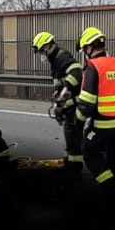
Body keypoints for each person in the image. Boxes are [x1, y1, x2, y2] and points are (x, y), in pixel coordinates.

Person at [74, 27, 115, 202]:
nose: (85, 54)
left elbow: (86, 104)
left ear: (89, 48)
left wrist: (77, 122)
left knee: (89, 152)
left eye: (84, 50)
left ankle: (111, 188)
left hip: (106, 125)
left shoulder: (93, 67)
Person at [32, 31, 85, 171]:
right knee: (70, 134)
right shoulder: (54, 60)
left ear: (47, 46)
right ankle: (69, 164)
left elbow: (77, 73)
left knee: (73, 135)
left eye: (41, 51)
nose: (41, 54)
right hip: (70, 104)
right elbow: (60, 78)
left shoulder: (62, 56)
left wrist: (65, 90)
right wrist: (58, 92)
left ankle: (74, 169)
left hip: (75, 103)